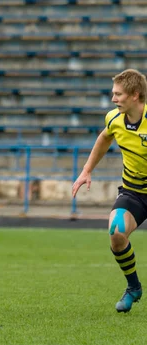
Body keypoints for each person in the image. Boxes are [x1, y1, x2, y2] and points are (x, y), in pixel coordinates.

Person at [72, 68, 147, 313]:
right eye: (113, 93)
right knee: (116, 233)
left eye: (118, 94)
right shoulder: (114, 119)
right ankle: (133, 287)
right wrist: (87, 170)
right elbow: (105, 138)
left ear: (135, 95)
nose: (113, 99)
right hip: (133, 191)